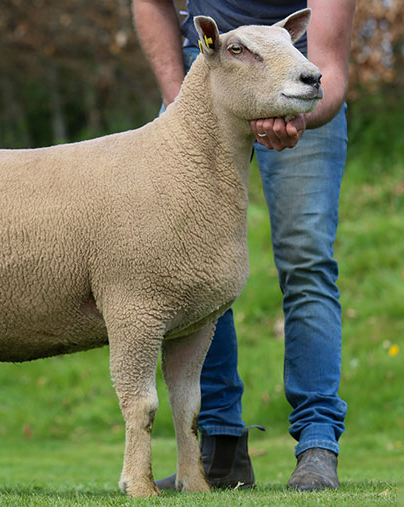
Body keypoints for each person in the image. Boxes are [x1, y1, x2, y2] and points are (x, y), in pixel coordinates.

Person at [132, 0, 356, 491]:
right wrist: (182, 101)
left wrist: (296, 114)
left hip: (294, 71)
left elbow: (330, 68)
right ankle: (220, 447)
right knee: (194, 265)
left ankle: (317, 446)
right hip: (209, 68)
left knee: (307, 258)